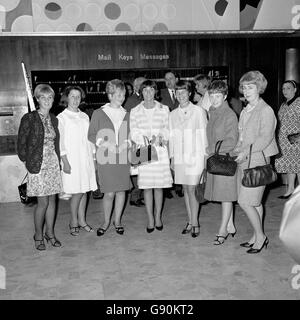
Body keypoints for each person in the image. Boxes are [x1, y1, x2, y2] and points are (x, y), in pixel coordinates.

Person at [233, 70, 278, 254]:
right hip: (245, 159)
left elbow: (265, 138)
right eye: (244, 87)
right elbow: (242, 136)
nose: (247, 90)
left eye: (251, 87)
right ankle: (255, 235)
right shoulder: (245, 110)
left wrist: (245, 151)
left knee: (245, 202)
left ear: (259, 88)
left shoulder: (266, 110)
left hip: (258, 159)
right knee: (256, 203)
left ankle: (261, 237)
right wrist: (237, 148)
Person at [17, 84, 62, 250]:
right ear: (37, 99)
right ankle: (38, 234)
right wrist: (27, 162)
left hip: (52, 163)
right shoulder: (29, 118)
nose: (47, 100)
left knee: (52, 201)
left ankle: (50, 233)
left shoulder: (54, 118)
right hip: (37, 165)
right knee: (42, 202)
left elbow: (55, 143)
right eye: (43, 97)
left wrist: (59, 162)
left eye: (50, 97)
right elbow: (21, 143)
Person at [88, 79, 131, 236]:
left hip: (123, 158)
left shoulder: (127, 114)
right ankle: (106, 221)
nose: (122, 97)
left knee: (121, 192)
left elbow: (131, 134)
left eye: (124, 95)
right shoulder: (99, 113)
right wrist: (107, 144)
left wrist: (126, 143)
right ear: (110, 95)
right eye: (119, 94)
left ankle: (117, 221)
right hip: (106, 158)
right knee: (109, 193)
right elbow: (91, 134)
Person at [130, 80, 173, 233]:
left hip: (160, 151)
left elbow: (168, 128)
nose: (148, 93)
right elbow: (133, 131)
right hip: (145, 151)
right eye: (145, 90)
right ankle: (150, 218)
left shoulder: (164, 109)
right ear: (141, 92)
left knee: (159, 186)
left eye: (151, 90)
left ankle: (158, 216)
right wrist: (144, 139)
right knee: (147, 187)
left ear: (155, 92)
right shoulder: (135, 111)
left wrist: (160, 137)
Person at [169, 80, 208, 237]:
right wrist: (171, 157)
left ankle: (195, 222)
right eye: (178, 93)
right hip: (179, 156)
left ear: (190, 93)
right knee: (185, 189)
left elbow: (204, 134)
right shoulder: (172, 114)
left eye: (184, 92)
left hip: (195, 155)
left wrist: (205, 157)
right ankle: (190, 220)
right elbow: (171, 137)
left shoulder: (199, 111)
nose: (181, 96)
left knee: (192, 188)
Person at [57, 86, 97, 236]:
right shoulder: (62, 117)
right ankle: (73, 221)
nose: (75, 99)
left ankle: (82, 220)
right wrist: (65, 161)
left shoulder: (85, 116)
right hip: (71, 159)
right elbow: (60, 142)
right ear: (66, 98)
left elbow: (90, 140)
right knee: (76, 191)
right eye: (72, 96)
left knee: (84, 189)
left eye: (78, 97)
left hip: (85, 158)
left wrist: (93, 158)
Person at [204, 80, 239, 244]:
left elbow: (232, 141)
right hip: (216, 158)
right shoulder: (213, 111)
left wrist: (211, 149)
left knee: (226, 197)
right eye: (212, 95)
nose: (214, 99)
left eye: (218, 96)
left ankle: (222, 230)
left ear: (225, 96)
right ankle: (230, 225)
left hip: (225, 159)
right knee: (224, 196)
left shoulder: (229, 115)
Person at [275, 80, 300, 199]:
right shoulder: (284, 104)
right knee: (291, 166)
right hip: (284, 141)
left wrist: (297, 138)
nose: (285, 91)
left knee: (298, 166)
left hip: (296, 140)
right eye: (283, 88)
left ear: (295, 90)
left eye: (288, 88)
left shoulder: (299, 102)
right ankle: (290, 190)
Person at [124, 77, 147, 207]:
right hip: (135, 140)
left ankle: (140, 195)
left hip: (144, 140)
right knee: (137, 170)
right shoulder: (131, 100)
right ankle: (135, 197)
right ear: (137, 86)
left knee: (143, 168)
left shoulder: (142, 99)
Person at [160, 71, 183, 198]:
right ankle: (167, 188)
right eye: (166, 79)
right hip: (166, 132)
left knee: (178, 159)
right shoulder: (161, 94)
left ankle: (179, 186)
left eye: (171, 78)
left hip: (180, 132)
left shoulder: (182, 92)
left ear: (177, 79)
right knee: (166, 160)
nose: (168, 81)